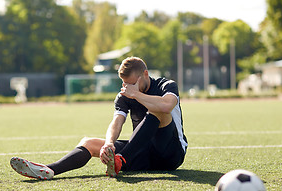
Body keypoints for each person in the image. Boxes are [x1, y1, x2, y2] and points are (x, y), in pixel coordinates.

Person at [10, 56, 188, 180]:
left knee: (158, 110)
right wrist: (109, 143)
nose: (127, 88)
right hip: (142, 154)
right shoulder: (124, 94)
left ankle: (120, 159)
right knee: (89, 142)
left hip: (170, 155)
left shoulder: (166, 85)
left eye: (132, 83)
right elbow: (117, 121)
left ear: (146, 74)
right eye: (124, 84)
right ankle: (49, 169)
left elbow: (167, 105)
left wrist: (136, 95)